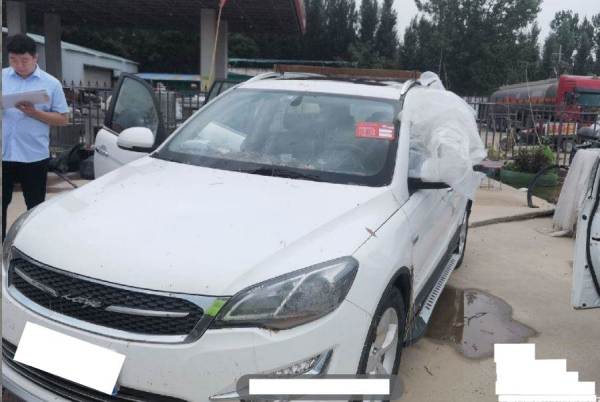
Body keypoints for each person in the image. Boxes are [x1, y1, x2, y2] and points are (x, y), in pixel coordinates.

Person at [2, 34, 69, 240]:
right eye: (13, 60)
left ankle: (30, 243)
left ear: (35, 58)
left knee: (34, 206)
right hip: (4, 154)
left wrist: (34, 112)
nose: (19, 65)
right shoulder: (2, 77)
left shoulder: (51, 83)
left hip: (33, 156)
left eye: (24, 60)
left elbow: (63, 119)